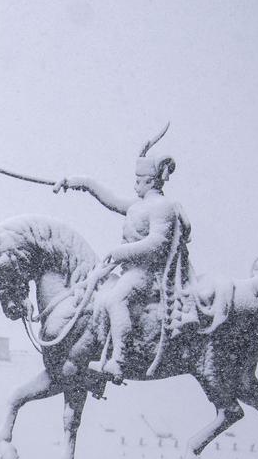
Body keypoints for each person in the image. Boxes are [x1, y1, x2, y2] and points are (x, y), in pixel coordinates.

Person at [57, 145, 204, 381]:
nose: (135, 185)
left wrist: (120, 252)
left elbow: (157, 243)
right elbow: (110, 199)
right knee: (101, 296)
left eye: (138, 180)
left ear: (149, 181)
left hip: (148, 274)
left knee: (116, 299)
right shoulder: (138, 205)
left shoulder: (162, 207)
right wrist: (78, 182)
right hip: (130, 271)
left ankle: (119, 361)